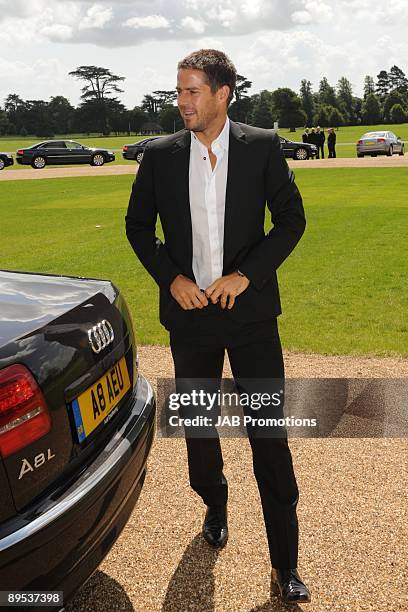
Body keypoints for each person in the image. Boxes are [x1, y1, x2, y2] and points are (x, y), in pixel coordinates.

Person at [126, 49, 311, 605]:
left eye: (191, 92)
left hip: (251, 320)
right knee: (200, 436)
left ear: (223, 92)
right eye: (178, 91)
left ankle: (286, 565)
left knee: (270, 439)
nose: (181, 102)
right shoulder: (158, 156)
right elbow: (137, 228)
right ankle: (215, 501)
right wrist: (173, 279)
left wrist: (246, 276)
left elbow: (292, 220)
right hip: (190, 321)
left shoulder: (261, 148)